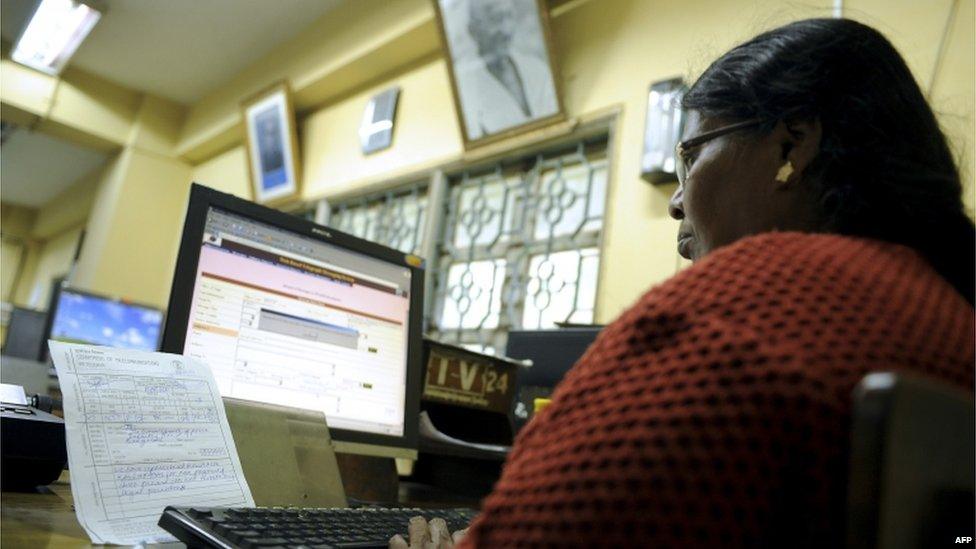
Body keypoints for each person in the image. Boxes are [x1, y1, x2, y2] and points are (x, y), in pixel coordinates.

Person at [393, 17, 974, 548]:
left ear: (792, 146)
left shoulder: (752, 307)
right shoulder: (945, 313)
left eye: (690, 159)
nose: (675, 202)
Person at [453, 0, 559, 139]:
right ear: (473, 30)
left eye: (509, 16)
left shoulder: (537, 69)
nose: (506, 30)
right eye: (495, 19)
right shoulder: (463, 88)